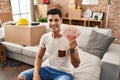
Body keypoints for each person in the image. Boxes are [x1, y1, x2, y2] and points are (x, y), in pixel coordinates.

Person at [18, 8, 80, 80]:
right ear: (47, 21)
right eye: (50, 20)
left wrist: (72, 50)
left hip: (64, 73)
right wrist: (36, 74)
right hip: (48, 69)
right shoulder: (45, 37)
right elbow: (39, 57)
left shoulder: (70, 38)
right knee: (21, 77)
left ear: (61, 21)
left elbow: (76, 65)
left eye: (56, 20)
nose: (53, 23)